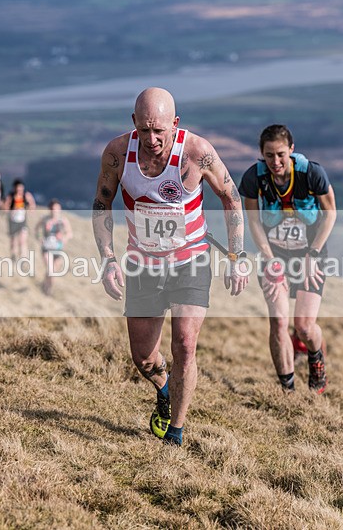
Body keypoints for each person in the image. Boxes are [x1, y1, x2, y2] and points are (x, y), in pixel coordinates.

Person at [92, 87, 248, 446]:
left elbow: (231, 197)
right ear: (134, 123)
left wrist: (236, 258)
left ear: (175, 124)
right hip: (143, 263)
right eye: (145, 130)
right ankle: (164, 389)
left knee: (184, 345)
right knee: (144, 358)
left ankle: (175, 432)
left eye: (160, 130)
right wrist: (108, 259)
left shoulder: (197, 152)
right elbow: (102, 203)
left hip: (190, 258)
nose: (152, 139)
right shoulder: (118, 153)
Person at [238, 124, 337, 394]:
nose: (275, 161)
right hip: (275, 255)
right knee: (279, 321)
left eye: (281, 154)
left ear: (291, 150)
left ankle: (316, 359)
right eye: (269, 155)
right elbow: (254, 223)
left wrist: (313, 254)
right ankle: (288, 391)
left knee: (304, 326)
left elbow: (331, 214)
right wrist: (270, 260)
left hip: (310, 254)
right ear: (261, 154)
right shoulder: (253, 178)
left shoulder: (312, 174)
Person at [36, 199, 73, 295]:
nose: (55, 211)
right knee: (51, 270)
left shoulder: (63, 220)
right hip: (46, 248)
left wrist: (64, 238)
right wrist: (39, 238)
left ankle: (45, 285)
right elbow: (36, 229)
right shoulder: (45, 219)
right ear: (50, 209)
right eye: (53, 208)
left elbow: (70, 233)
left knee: (53, 272)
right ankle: (47, 291)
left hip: (58, 249)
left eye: (57, 208)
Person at [3, 178, 36, 260]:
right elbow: (5, 208)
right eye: (18, 188)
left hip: (22, 221)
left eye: (21, 188)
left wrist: (27, 208)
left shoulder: (26, 195)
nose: (19, 190)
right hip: (13, 221)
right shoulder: (11, 196)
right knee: (13, 241)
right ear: (14, 188)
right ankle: (13, 256)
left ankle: (23, 259)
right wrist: (12, 209)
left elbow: (32, 206)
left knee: (23, 241)